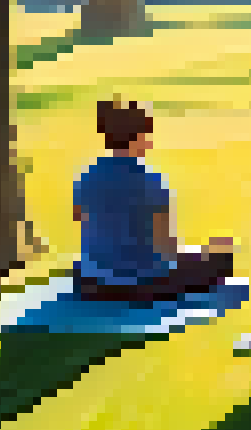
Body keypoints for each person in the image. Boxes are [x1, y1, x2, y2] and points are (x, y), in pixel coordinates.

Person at [70, 99, 235, 302]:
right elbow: (166, 247)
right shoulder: (152, 181)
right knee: (222, 256)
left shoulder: (86, 176)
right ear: (139, 137)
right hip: (141, 285)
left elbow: (80, 220)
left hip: (91, 283)